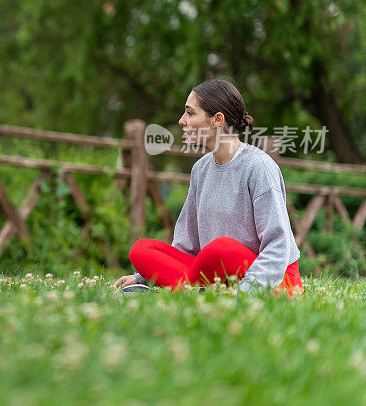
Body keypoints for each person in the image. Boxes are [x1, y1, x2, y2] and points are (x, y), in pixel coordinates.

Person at [114, 78, 302, 295]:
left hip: (275, 279)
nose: (181, 121)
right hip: (214, 274)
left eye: (190, 113)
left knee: (218, 249)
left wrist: (246, 292)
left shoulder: (258, 166)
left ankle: (187, 293)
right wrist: (143, 276)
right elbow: (186, 245)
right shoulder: (200, 169)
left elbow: (277, 244)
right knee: (141, 250)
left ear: (217, 120)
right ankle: (198, 293)